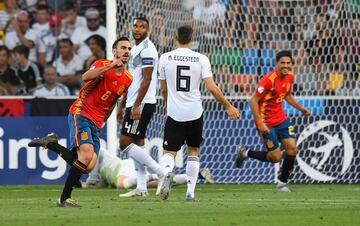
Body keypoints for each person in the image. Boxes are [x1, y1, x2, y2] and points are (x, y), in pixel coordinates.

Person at [27, 37, 133, 207]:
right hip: (81, 112)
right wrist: (111, 65)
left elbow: (113, 101)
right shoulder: (102, 64)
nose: (127, 51)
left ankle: (52, 144)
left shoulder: (128, 78)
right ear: (115, 51)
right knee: (86, 155)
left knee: (89, 166)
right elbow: (85, 77)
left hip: (97, 120)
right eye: (123, 48)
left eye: (129, 48)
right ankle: (64, 198)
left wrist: (104, 122)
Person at [157, 25, 240, 201]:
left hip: (174, 113)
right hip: (195, 112)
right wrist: (228, 106)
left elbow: (163, 89)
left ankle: (166, 173)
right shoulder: (201, 59)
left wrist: (169, 103)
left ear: (175, 37)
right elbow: (212, 88)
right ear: (192, 38)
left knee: (169, 152)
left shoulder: (164, 58)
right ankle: (190, 193)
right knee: (193, 150)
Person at [235, 50, 310, 192]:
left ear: (291, 64)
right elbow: (253, 101)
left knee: (292, 149)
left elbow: (287, 95)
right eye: (282, 63)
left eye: (288, 63)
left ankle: (282, 185)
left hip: (281, 119)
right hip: (266, 122)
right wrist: (260, 123)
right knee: (276, 157)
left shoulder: (290, 77)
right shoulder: (268, 80)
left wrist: (301, 109)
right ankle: (245, 153)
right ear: (277, 64)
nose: (285, 65)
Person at [118, 17, 164, 198]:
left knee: (124, 142)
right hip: (133, 102)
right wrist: (123, 105)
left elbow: (147, 79)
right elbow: (131, 80)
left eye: (142, 27)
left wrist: (136, 105)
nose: (137, 29)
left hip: (142, 103)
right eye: (135, 26)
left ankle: (161, 173)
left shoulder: (148, 49)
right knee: (138, 142)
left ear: (148, 29)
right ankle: (142, 187)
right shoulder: (134, 48)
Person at [83, 149, 214, 189]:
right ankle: (198, 175)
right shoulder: (103, 171)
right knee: (158, 184)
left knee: (121, 184)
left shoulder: (98, 153)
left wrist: (91, 179)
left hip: (123, 167)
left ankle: (154, 175)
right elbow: (101, 186)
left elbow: (96, 150)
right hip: (126, 171)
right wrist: (85, 185)